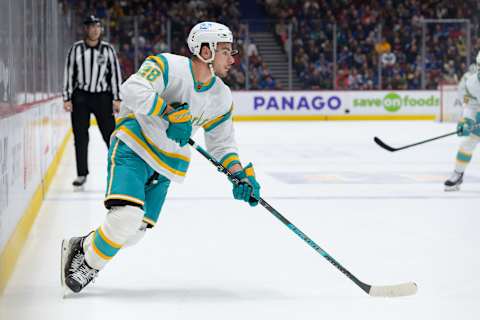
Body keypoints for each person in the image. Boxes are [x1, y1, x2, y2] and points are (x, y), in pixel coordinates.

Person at [60, 21, 261, 294]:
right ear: (205, 50)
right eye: (226, 50)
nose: (233, 58)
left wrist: (237, 173)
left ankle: (83, 245)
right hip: (134, 145)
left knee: (134, 233)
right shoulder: (168, 66)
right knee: (124, 218)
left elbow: (222, 143)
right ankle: (89, 266)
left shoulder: (221, 96)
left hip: (167, 164)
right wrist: (167, 111)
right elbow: (132, 89)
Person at [63, 15, 122, 190]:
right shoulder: (76, 49)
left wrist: (117, 97)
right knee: (80, 136)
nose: (95, 29)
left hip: (102, 97)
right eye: (91, 26)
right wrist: (66, 97)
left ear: (101, 29)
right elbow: (69, 73)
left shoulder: (108, 50)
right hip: (81, 97)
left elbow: (115, 75)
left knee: (111, 135)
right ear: (86, 29)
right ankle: (82, 174)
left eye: (98, 26)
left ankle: (119, 171)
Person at [444, 52, 480, 191]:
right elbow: (471, 106)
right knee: (467, 144)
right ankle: (458, 174)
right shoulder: (472, 83)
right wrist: (467, 121)